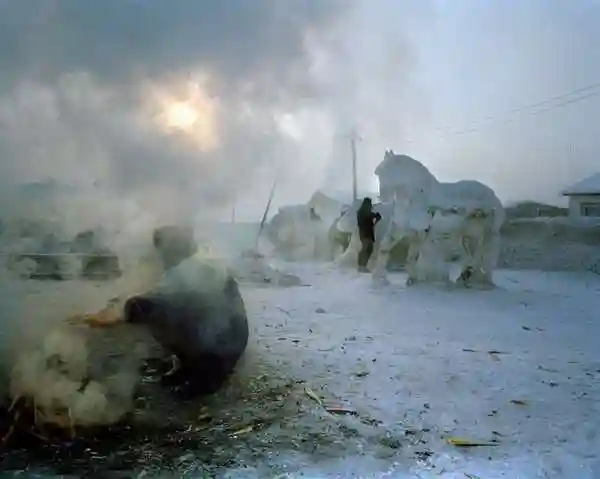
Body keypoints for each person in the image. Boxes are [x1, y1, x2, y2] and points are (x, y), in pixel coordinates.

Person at [356, 197, 382, 272]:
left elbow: (377, 216)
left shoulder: (365, 211)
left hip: (368, 233)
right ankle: (361, 265)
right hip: (365, 233)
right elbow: (373, 216)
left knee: (369, 249)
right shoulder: (362, 212)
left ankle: (363, 265)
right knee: (366, 248)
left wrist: (375, 221)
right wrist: (375, 219)